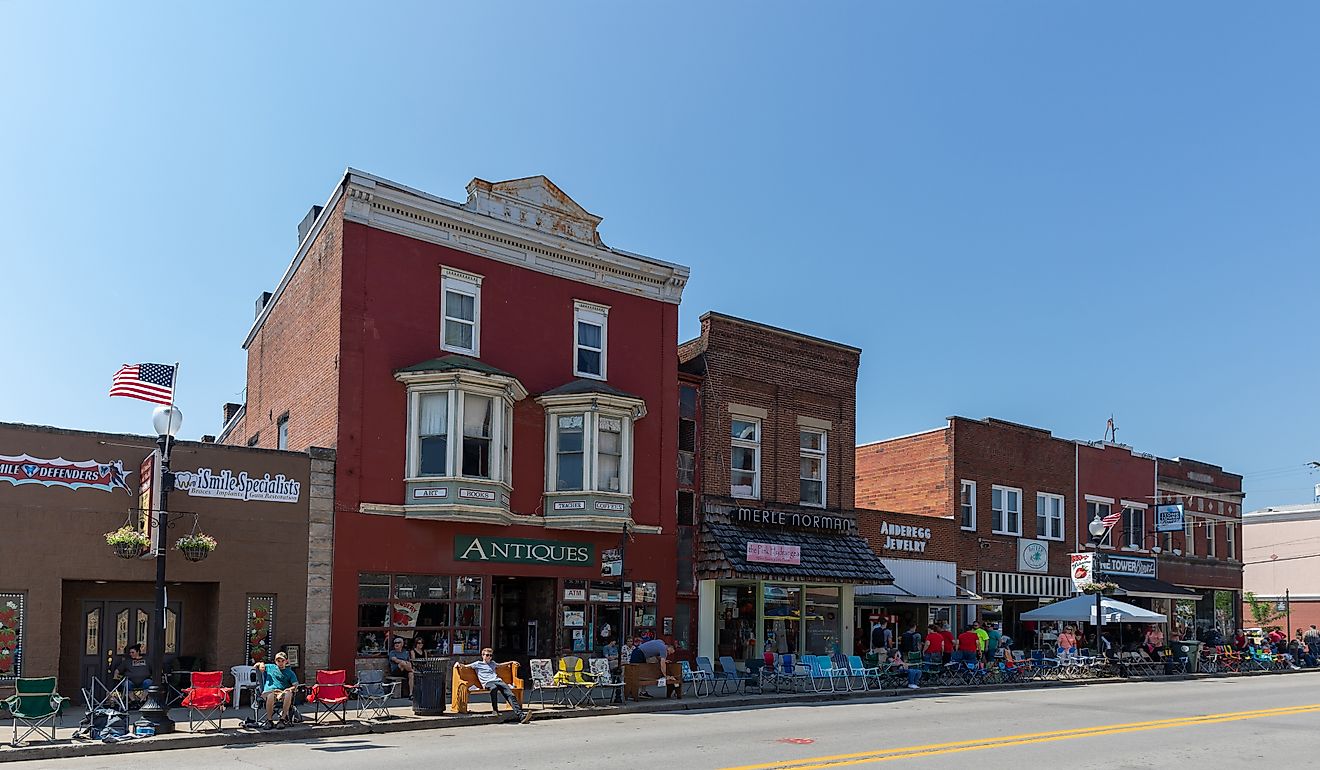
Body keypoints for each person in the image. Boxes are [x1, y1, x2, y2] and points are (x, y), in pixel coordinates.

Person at [459, 648, 531, 723]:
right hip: (487, 682)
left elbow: (500, 665)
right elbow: (466, 666)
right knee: (494, 688)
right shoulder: (477, 664)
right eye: (487, 655)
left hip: (498, 680)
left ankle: (521, 716)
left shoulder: (492, 663)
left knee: (510, 695)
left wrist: (511, 662)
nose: (489, 657)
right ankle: (495, 710)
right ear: (483, 656)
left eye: (490, 655)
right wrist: (458, 664)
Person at [256, 651, 300, 728]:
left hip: (282, 692)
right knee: (270, 695)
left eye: (282, 661)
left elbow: (295, 685)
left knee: (289, 694)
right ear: (275, 661)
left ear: (286, 661)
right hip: (270, 692)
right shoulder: (270, 667)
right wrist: (261, 664)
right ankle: (269, 721)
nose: (280, 663)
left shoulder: (290, 672)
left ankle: (282, 719)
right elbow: (257, 665)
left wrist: (290, 689)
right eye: (278, 661)